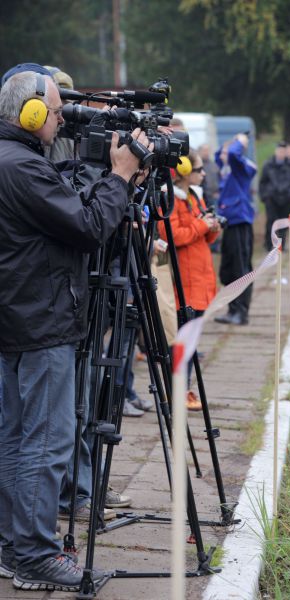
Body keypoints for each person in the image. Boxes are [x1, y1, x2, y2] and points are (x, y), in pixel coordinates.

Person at [0, 70, 150, 591]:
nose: (63, 119)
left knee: (17, 438)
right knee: (46, 441)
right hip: (42, 323)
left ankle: (14, 546)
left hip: (19, 319)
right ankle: (37, 555)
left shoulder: (16, 163)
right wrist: (120, 175)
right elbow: (88, 228)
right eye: (56, 111)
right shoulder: (23, 169)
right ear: (32, 115)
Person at [158, 149, 221, 410]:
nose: (203, 174)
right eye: (198, 170)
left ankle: (185, 389)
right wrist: (203, 226)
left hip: (200, 277)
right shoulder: (170, 199)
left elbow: (203, 236)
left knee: (192, 340)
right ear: (183, 171)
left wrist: (212, 227)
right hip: (185, 281)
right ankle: (177, 391)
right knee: (182, 340)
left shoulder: (195, 197)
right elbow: (174, 235)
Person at [214, 133, 257, 325]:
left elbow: (231, 153)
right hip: (230, 222)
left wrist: (241, 141)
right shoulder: (227, 169)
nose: (223, 154)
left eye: (226, 151)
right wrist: (226, 146)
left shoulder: (241, 168)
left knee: (241, 269)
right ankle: (232, 309)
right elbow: (219, 156)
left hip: (241, 222)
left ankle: (241, 312)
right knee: (228, 270)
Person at [259, 141, 290, 251]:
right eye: (279, 151)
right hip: (271, 199)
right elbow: (263, 182)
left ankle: (281, 245)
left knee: (284, 223)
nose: (281, 153)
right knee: (271, 222)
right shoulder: (268, 165)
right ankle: (269, 244)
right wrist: (265, 196)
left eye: (283, 151)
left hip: (286, 199)